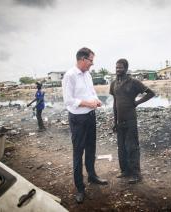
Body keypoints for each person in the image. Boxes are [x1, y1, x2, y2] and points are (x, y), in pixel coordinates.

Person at [62, 47, 108, 203]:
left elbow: (92, 92)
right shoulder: (70, 76)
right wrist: (87, 103)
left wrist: (96, 100)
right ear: (82, 59)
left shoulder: (87, 74)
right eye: (91, 60)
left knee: (91, 148)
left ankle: (92, 176)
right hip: (78, 120)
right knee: (78, 153)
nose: (92, 64)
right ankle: (80, 188)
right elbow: (68, 100)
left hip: (90, 116)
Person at [110, 58, 155, 184]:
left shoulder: (133, 82)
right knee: (122, 148)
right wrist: (115, 122)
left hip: (130, 120)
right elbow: (115, 103)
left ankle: (136, 174)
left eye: (120, 67)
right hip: (120, 121)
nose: (118, 69)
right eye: (116, 67)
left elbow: (151, 93)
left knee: (132, 147)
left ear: (126, 68)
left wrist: (137, 103)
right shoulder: (113, 84)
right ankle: (125, 171)